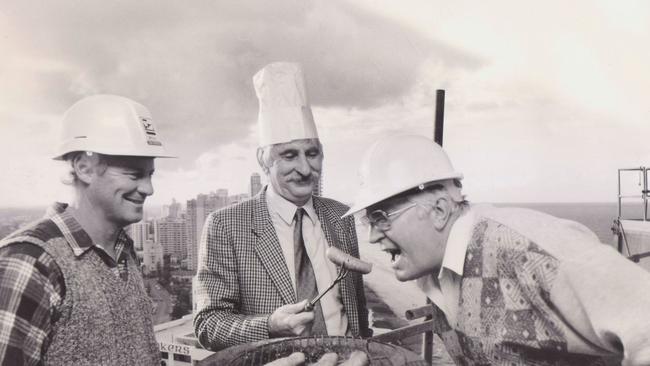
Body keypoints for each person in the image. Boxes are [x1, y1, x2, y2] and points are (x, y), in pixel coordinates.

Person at [344, 134, 650, 365]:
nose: (371, 237)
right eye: (367, 222)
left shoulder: (525, 248)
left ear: (438, 210)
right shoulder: (437, 272)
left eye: (380, 219)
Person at [194, 62, 370, 351]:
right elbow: (208, 325)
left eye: (312, 153)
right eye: (289, 155)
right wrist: (269, 326)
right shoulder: (226, 225)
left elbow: (357, 309)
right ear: (263, 160)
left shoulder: (340, 216)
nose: (305, 168)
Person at [0, 95, 174, 365]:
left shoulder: (123, 252)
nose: (148, 189)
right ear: (84, 168)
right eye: (134, 174)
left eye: (150, 175)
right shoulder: (32, 262)